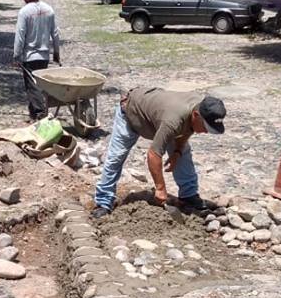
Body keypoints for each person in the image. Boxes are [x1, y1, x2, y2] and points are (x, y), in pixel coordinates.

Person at [92, 88, 226, 218]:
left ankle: (188, 196)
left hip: (159, 119)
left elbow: (188, 129)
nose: (206, 132)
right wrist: (160, 188)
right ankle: (104, 202)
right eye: (205, 127)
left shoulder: (202, 107)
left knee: (183, 153)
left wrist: (177, 152)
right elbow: (153, 154)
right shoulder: (173, 120)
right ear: (196, 115)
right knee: (116, 157)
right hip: (131, 112)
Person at [12, 0, 60, 121]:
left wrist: (16, 56)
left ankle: (40, 115)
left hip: (30, 56)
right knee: (38, 85)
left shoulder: (24, 12)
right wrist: (56, 53)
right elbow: (55, 33)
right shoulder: (48, 10)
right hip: (44, 56)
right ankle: (33, 114)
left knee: (32, 87)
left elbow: (20, 35)